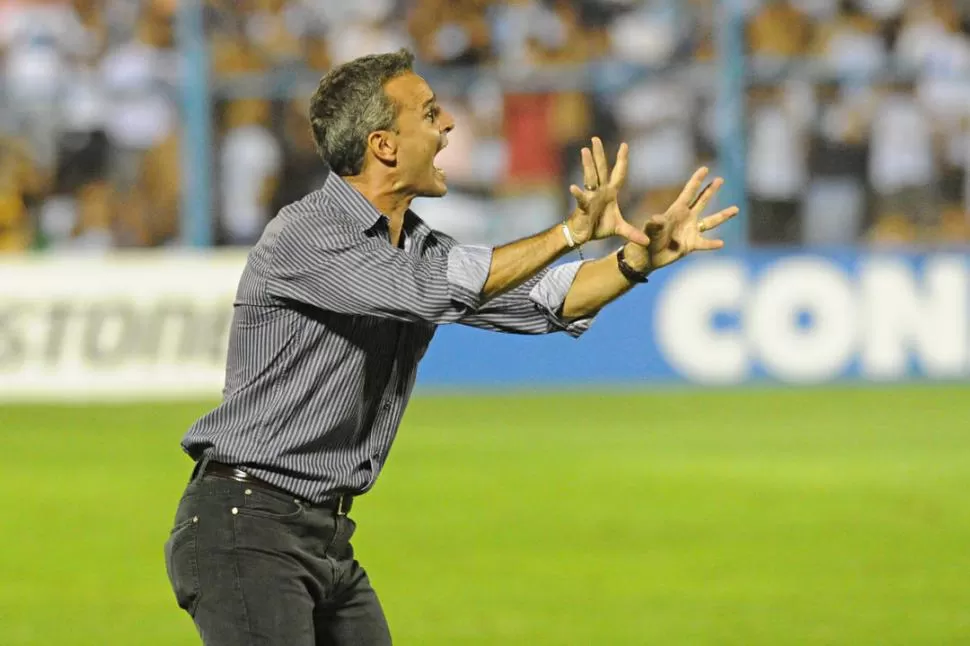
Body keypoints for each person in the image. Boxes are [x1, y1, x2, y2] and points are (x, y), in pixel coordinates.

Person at [163, 49, 737, 646]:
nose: (450, 126)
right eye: (431, 113)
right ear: (384, 145)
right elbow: (433, 291)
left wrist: (635, 260)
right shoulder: (308, 235)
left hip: (321, 535)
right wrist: (569, 232)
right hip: (246, 527)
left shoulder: (414, 243)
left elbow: (545, 300)